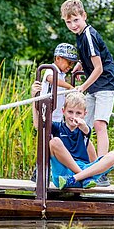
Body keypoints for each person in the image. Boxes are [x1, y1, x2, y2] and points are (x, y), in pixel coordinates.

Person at [60, 0, 114, 185]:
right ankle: (88, 165)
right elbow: (88, 60)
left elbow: (99, 67)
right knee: (81, 125)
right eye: (68, 22)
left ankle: (102, 170)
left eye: (76, 20)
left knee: (99, 125)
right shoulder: (80, 36)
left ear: (84, 16)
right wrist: (78, 67)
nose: (73, 25)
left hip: (105, 84)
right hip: (95, 86)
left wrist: (82, 87)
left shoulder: (88, 35)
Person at [30, 43, 98, 183]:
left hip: (57, 116)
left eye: (72, 63)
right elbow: (50, 79)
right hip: (46, 112)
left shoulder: (61, 74)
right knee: (46, 143)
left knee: (73, 141)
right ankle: (39, 171)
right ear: (58, 58)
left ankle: (93, 168)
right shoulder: (52, 69)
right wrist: (71, 87)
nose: (70, 66)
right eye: (68, 62)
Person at [31, 88, 114, 189]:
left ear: (84, 114)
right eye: (70, 112)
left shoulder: (84, 129)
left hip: (82, 172)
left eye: (78, 113)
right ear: (63, 111)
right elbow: (38, 125)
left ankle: (77, 178)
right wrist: (34, 99)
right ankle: (82, 177)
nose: (73, 116)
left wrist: (83, 125)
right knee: (54, 141)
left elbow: (86, 130)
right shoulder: (57, 127)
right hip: (63, 175)